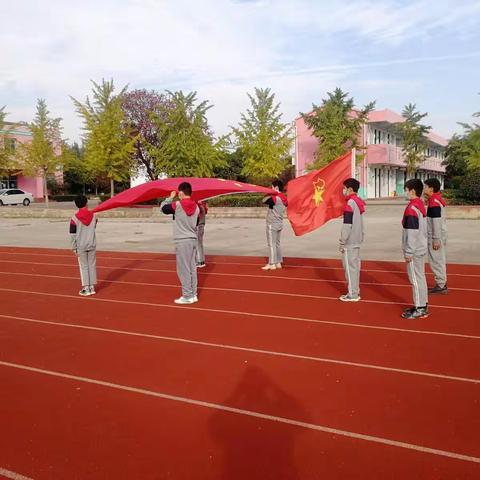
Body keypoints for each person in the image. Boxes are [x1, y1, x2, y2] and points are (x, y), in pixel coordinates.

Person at [161, 182, 200, 304]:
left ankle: (187, 295)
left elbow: (163, 208)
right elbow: (197, 222)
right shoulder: (198, 207)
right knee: (192, 268)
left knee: (183, 269)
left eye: (179, 193)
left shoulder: (177, 205)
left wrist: (170, 197)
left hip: (182, 240)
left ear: (181, 192)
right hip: (193, 239)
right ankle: (193, 294)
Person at [401, 179, 429, 319]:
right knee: (420, 277)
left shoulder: (412, 209)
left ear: (412, 191)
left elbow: (412, 232)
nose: (404, 192)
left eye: (405, 189)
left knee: (415, 279)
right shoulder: (419, 205)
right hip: (420, 246)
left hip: (415, 249)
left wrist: (409, 251)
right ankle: (422, 303)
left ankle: (420, 309)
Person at [339, 178, 365, 302]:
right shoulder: (358, 202)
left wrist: (342, 241)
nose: (343, 191)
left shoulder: (349, 204)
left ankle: (352, 294)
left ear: (349, 189)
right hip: (357, 239)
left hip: (350, 241)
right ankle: (355, 291)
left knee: (349, 268)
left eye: (344, 188)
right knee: (354, 267)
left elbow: (347, 225)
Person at [69, 195, 97, 296]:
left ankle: (86, 288)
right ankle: (92, 287)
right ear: (86, 203)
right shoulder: (93, 216)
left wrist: (74, 248)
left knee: (84, 267)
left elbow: (72, 234)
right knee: (92, 265)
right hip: (92, 244)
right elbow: (94, 226)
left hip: (81, 245)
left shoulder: (74, 218)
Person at [424, 178, 448, 294]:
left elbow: (436, 221)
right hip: (439, 234)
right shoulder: (436, 199)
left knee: (436, 260)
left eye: (426, 187)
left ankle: (441, 284)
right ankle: (441, 282)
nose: (424, 189)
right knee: (439, 259)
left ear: (431, 189)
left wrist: (436, 239)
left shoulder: (434, 202)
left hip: (435, 235)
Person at [261, 180, 288, 271]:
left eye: (272, 187)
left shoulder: (274, 198)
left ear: (276, 188)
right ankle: (278, 262)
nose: (271, 188)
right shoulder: (284, 198)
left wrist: (269, 193)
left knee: (271, 244)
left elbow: (263, 200)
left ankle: (272, 263)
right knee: (277, 244)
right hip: (279, 223)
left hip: (272, 223)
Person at [196, 201, 208, 268]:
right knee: (200, 244)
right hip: (201, 225)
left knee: (197, 244)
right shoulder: (203, 205)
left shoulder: (199, 206)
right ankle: (201, 260)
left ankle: (200, 261)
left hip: (199, 226)